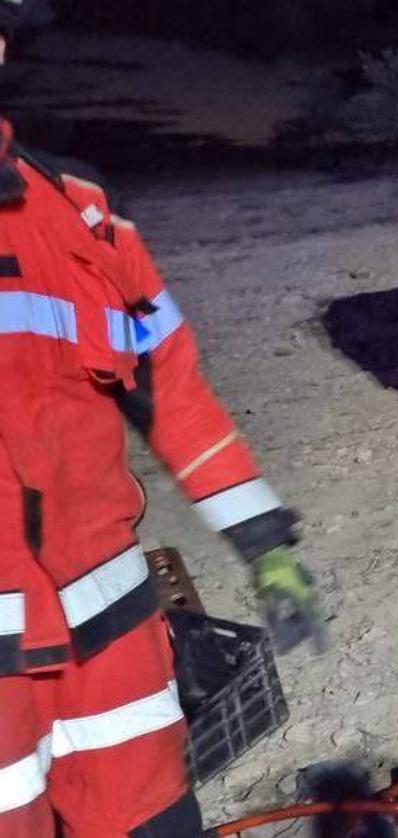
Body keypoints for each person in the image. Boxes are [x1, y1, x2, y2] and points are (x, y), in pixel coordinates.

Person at [0, 6, 324, 835]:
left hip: (103, 634)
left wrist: (267, 545)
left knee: (151, 817)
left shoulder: (83, 214)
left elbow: (172, 390)